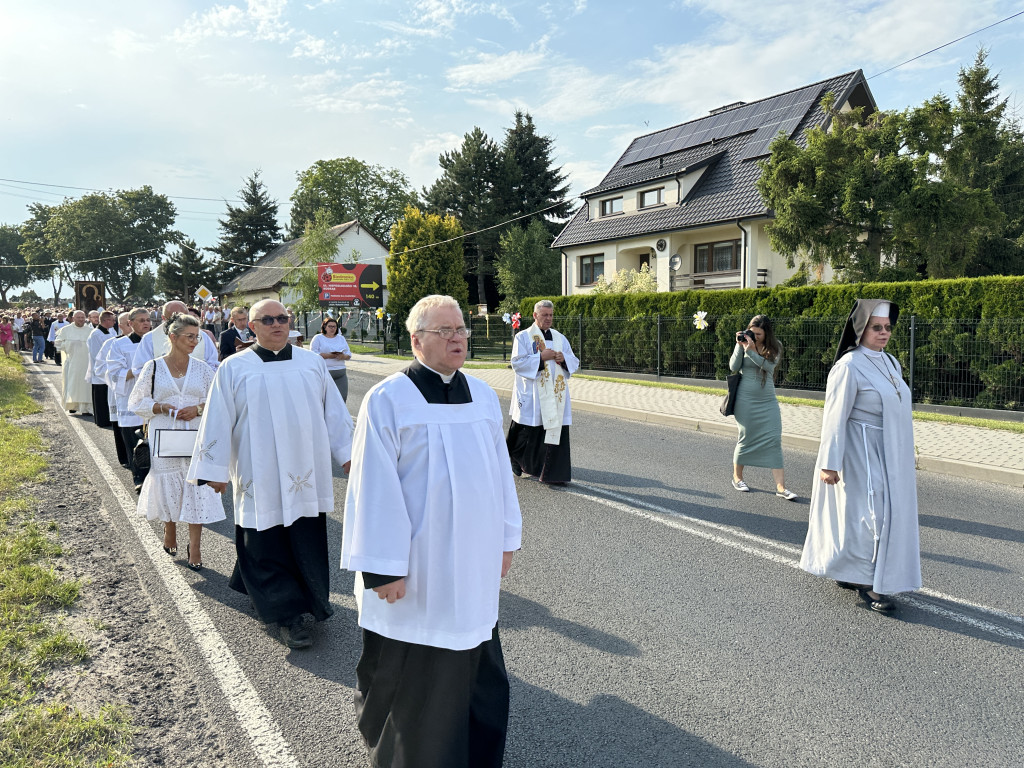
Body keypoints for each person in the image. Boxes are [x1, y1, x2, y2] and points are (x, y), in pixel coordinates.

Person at [342, 295, 522, 768]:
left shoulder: (483, 395)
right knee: (417, 680)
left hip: (472, 566)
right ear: (416, 339)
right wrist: (382, 570)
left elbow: (500, 474)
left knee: (474, 663)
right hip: (416, 571)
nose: (458, 337)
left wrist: (506, 539)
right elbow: (372, 488)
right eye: (445, 331)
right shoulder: (388, 399)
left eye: (460, 329)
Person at [187, 299, 353, 649]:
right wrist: (213, 470)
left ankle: (299, 597)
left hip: (304, 469)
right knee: (263, 536)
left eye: (283, 318)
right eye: (268, 319)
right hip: (257, 467)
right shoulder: (235, 367)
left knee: (303, 534)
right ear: (253, 326)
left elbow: (335, 414)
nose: (277, 324)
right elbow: (217, 419)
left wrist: (350, 456)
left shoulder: (312, 364)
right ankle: (285, 615)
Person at [800, 299, 921, 613]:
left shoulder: (891, 362)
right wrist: (829, 463)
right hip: (859, 449)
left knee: (871, 515)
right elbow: (834, 416)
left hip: (888, 451)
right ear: (861, 329)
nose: (883, 333)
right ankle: (868, 584)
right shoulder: (848, 365)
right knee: (871, 516)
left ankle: (850, 571)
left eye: (887, 328)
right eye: (876, 327)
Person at [130, 313, 222, 569]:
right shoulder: (154, 367)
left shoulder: (203, 369)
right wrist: (159, 407)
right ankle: (169, 528)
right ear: (173, 337)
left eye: (197, 337)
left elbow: (217, 401)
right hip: (164, 436)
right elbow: (136, 402)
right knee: (167, 483)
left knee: (196, 486)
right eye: (189, 336)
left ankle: (196, 547)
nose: (194, 341)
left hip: (195, 435)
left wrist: (198, 409)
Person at [506, 299, 580, 486]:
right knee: (526, 430)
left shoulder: (559, 337)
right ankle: (516, 459)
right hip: (532, 395)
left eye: (551, 315)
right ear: (535, 315)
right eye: (544, 315)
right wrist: (540, 358)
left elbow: (574, 361)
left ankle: (553, 473)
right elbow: (517, 363)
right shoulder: (523, 337)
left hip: (555, 395)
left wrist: (564, 359)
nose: (548, 318)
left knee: (554, 430)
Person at [728, 315, 796, 499]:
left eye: (759, 334)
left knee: (774, 439)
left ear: (767, 334)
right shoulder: (744, 343)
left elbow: (769, 367)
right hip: (745, 400)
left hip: (767, 401)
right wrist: (739, 345)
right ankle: (737, 477)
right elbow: (733, 366)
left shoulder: (775, 346)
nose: (755, 336)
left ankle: (781, 487)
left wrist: (751, 351)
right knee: (746, 437)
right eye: (753, 332)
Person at [107, 308, 153, 492]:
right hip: (130, 399)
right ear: (130, 324)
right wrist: (138, 371)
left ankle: (155, 480)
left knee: (155, 442)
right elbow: (113, 374)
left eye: (148, 320)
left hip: (153, 400)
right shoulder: (119, 345)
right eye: (141, 320)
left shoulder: (157, 343)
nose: (146, 323)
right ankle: (139, 478)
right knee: (135, 443)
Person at [132, 300, 219, 380]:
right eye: (174, 318)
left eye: (183, 316)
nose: (179, 322)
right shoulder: (150, 339)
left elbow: (213, 364)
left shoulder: (202, 336)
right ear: (164, 318)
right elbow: (139, 369)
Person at [102, 312, 132, 468]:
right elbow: (100, 367)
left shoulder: (149, 342)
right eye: (128, 324)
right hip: (119, 390)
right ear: (120, 326)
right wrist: (120, 376)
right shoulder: (112, 343)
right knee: (122, 425)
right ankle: (125, 457)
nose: (132, 326)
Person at [54, 311, 94, 415]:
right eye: (78, 317)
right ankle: (73, 405)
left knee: (86, 386)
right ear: (73, 318)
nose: (81, 319)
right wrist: (69, 345)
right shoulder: (65, 330)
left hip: (87, 363)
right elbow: (57, 343)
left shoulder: (91, 330)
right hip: (72, 362)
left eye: (82, 317)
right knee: (72, 384)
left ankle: (86, 408)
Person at [310, 317, 352, 401]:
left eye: (334, 327)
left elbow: (349, 354)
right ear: (324, 327)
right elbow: (313, 355)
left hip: (340, 372)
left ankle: (339, 414)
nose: (332, 329)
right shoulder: (318, 338)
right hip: (325, 372)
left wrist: (343, 357)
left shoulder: (341, 338)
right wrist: (329, 356)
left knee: (342, 398)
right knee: (326, 400)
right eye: (330, 326)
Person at [86, 310, 116, 427]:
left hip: (109, 368)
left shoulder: (110, 331)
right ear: (106, 320)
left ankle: (108, 418)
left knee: (106, 397)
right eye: (112, 320)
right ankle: (101, 421)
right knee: (100, 397)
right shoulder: (96, 334)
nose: (114, 322)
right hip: (100, 370)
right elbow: (96, 354)